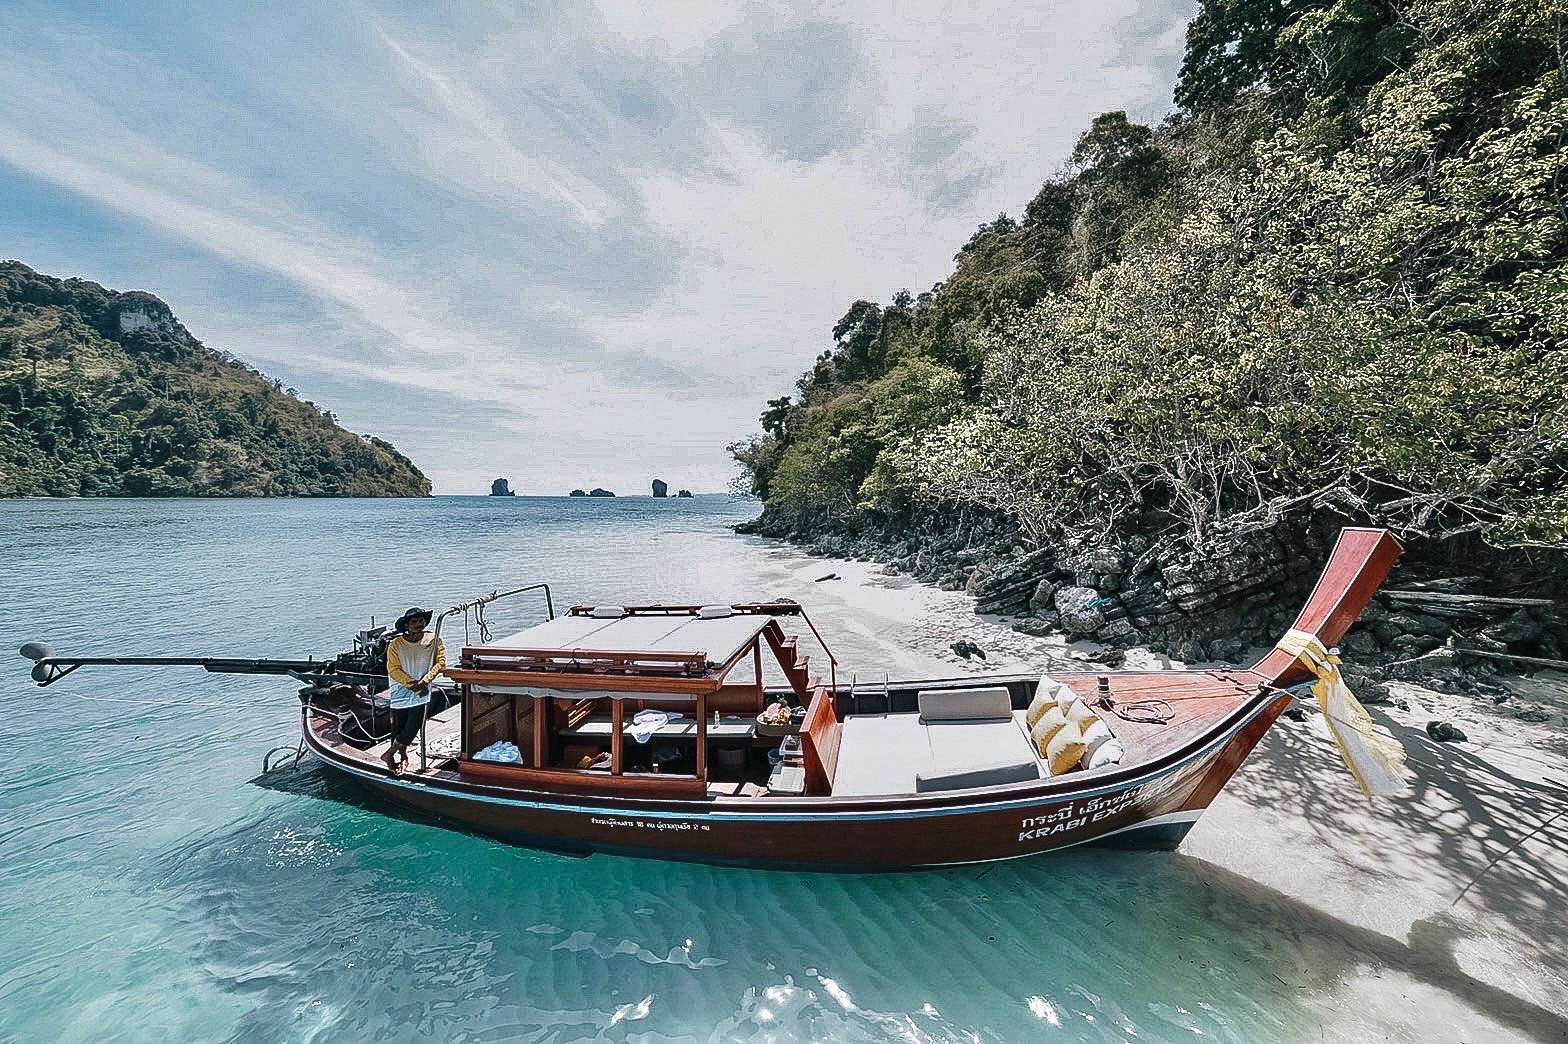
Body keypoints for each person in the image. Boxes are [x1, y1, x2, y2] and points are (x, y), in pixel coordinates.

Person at [382, 607, 446, 775]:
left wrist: (425, 681)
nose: (418, 625)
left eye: (420, 621)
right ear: (407, 626)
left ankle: (388, 754)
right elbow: (393, 668)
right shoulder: (395, 644)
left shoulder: (434, 639)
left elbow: (440, 663)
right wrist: (412, 684)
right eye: (414, 622)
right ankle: (402, 756)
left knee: (412, 728)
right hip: (401, 690)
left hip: (422, 689)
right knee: (398, 727)